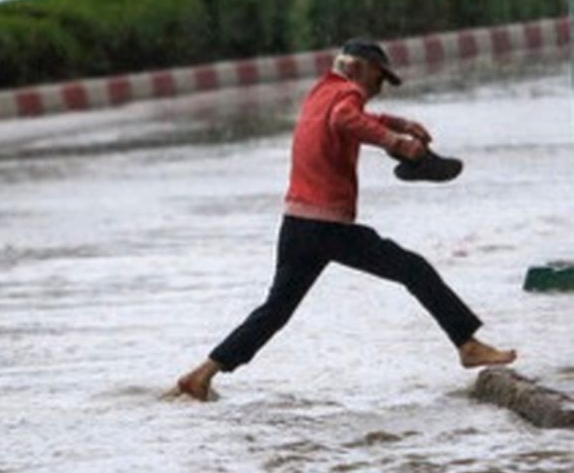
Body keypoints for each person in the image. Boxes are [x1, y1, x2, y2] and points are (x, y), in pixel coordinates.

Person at [170, 38, 516, 402]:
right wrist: (397, 144)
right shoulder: (346, 95)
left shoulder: (321, 92)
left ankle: (203, 373)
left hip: (297, 224)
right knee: (412, 268)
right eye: (379, 78)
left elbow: (349, 115)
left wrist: (397, 122)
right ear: (359, 69)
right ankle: (467, 344)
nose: (379, 88)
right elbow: (346, 118)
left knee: (275, 311)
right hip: (326, 226)